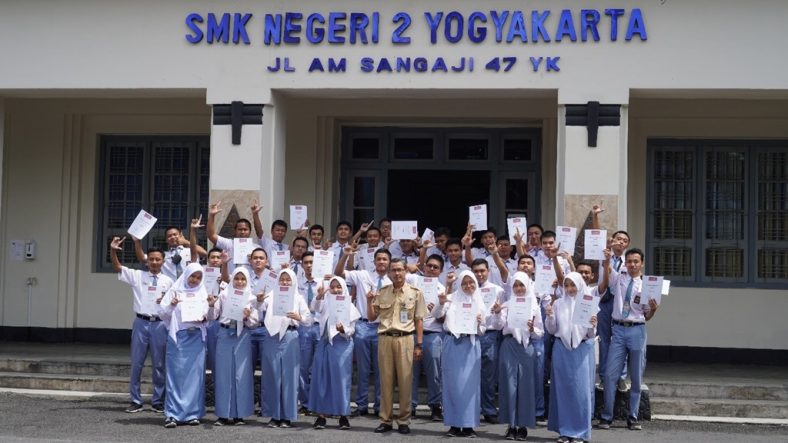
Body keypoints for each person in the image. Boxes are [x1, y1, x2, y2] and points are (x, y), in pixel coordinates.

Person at [597, 248, 659, 431]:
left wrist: (654, 309)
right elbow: (607, 270)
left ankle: (633, 416)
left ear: (642, 263)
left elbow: (647, 316)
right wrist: (607, 260)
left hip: (637, 330)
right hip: (618, 329)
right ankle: (607, 416)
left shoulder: (647, 285)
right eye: (629, 261)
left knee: (636, 376)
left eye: (636, 261)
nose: (632, 265)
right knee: (609, 375)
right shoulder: (619, 279)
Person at [110, 236, 171, 414]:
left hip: (159, 325)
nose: (154, 262)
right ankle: (135, 400)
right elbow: (118, 267)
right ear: (146, 261)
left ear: (163, 261)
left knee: (159, 364)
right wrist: (113, 250)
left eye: (157, 259)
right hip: (141, 323)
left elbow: (173, 304)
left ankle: (158, 400)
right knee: (137, 363)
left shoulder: (168, 281)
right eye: (151, 259)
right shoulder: (137, 276)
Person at [367, 258, 427, 434]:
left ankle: (403, 420)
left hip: (405, 339)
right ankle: (385, 420)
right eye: (393, 270)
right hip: (385, 338)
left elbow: (419, 320)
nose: (397, 273)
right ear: (389, 273)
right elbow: (371, 317)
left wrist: (419, 345)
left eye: (400, 270)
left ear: (405, 271)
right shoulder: (382, 291)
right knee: (385, 381)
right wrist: (369, 301)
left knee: (405, 381)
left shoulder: (415, 293)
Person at [335, 246, 393, 417]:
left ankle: (379, 405)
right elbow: (339, 273)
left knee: (381, 369)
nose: (382, 262)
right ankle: (361, 405)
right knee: (363, 369)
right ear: (374, 261)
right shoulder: (363, 275)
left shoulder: (393, 280)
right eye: (379, 259)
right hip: (362, 326)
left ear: (389, 262)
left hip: (383, 328)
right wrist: (346, 255)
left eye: (385, 259)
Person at [432, 270, 487, 438]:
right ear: (460, 284)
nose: (468, 286)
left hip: (470, 345)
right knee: (452, 385)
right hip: (452, 344)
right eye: (464, 283)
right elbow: (437, 314)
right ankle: (454, 424)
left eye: (471, 282)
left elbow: (483, 330)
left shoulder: (479, 301)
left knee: (470, 386)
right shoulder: (451, 298)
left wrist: (478, 323)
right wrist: (441, 303)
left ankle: (469, 425)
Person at [545, 272, 598, 443]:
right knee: (562, 390)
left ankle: (580, 432)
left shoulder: (588, 303)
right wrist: (550, 316)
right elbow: (553, 330)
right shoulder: (559, 303)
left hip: (581, 349)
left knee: (580, 391)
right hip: (561, 349)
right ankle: (564, 431)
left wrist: (593, 324)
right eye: (566, 285)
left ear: (580, 285)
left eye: (573, 285)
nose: (569, 289)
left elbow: (590, 334)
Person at [158, 263, 209, 428]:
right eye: (192, 276)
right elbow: (162, 314)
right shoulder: (175, 290)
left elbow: (209, 314)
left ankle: (192, 414)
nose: (195, 280)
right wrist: (172, 304)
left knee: (195, 377)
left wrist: (204, 318)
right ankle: (172, 415)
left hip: (197, 338)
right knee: (175, 376)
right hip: (179, 337)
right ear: (186, 275)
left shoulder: (202, 292)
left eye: (198, 277)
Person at [494, 272, 543, 441]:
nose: (519, 289)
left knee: (525, 387)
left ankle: (522, 426)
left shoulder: (534, 306)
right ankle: (511, 425)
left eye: (522, 285)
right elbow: (498, 325)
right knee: (509, 386)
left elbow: (540, 332)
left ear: (528, 286)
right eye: (515, 285)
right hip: (509, 345)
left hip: (526, 347)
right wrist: (497, 312)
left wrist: (531, 329)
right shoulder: (506, 304)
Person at [261, 268, 311, 428]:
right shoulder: (269, 296)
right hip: (272, 337)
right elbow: (259, 309)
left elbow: (308, 320)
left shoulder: (298, 298)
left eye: (288, 279)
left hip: (290, 336)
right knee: (272, 375)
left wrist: (299, 318)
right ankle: (274, 415)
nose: (285, 282)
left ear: (293, 281)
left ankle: (287, 416)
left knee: (289, 377)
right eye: (282, 279)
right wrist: (259, 300)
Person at [208, 267, 259, 426]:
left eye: (243, 279)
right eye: (237, 278)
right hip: (224, 334)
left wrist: (247, 316)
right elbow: (213, 317)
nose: (240, 282)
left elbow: (255, 323)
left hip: (242, 336)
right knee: (223, 374)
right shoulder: (224, 294)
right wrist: (211, 305)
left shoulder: (251, 298)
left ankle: (240, 414)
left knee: (241, 374)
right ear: (232, 279)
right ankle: (223, 414)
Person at [309, 276, 361, 430]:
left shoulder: (350, 307)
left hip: (342, 344)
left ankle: (343, 416)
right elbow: (314, 307)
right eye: (333, 287)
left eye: (339, 287)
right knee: (321, 378)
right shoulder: (325, 302)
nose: (336, 289)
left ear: (344, 288)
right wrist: (318, 296)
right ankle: (321, 416)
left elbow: (351, 330)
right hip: (324, 343)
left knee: (341, 380)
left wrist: (343, 330)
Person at [410, 254, 447, 421]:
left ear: (440, 271)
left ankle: (435, 406)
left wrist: (437, 307)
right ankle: (410, 405)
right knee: (410, 372)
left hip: (433, 334)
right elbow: (394, 273)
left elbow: (443, 318)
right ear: (424, 266)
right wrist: (408, 266)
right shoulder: (413, 281)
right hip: (411, 333)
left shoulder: (442, 290)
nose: (431, 269)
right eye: (429, 266)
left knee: (434, 373)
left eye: (435, 267)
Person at [468, 258, 505, 424]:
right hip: (469, 335)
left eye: (482, 270)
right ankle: (471, 409)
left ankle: (489, 409)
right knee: (469, 374)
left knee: (488, 376)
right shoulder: (466, 288)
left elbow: (500, 323)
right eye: (476, 271)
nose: (479, 274)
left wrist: (497, 313)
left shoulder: (497, 290)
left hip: (489, 335)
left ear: (488, 271)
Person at [133, 226, 207, 281]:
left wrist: (186, 242)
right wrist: (137, 241)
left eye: (175, 234)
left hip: (189, 287)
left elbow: (204, 254)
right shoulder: (162, 255)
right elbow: (142, 258)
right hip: (170, 288)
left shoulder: (190, 250)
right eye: (169, 236)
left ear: (181, 235)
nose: (172, 237)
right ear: (166, 240)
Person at [207, 201, 259, 273]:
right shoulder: (229, 244)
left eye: (245, 229)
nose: (242, 232)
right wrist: (212, 215)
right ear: (235, 231)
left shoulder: (257, 248)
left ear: (250, 231)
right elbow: (211, 235)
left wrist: (254, 261)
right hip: (231, 281)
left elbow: (263, 267)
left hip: (249, 282)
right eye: (240, 229)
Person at [297, 251, 321, 413]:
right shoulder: (296, 283)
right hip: (303, 327)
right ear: (301, 265)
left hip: (320, 326)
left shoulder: (324, 283)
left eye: (312, 262)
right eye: (306, 262)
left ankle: (319, 403)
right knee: (303, 367)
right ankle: (305, 403)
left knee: (319, 366)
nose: (309, 265)